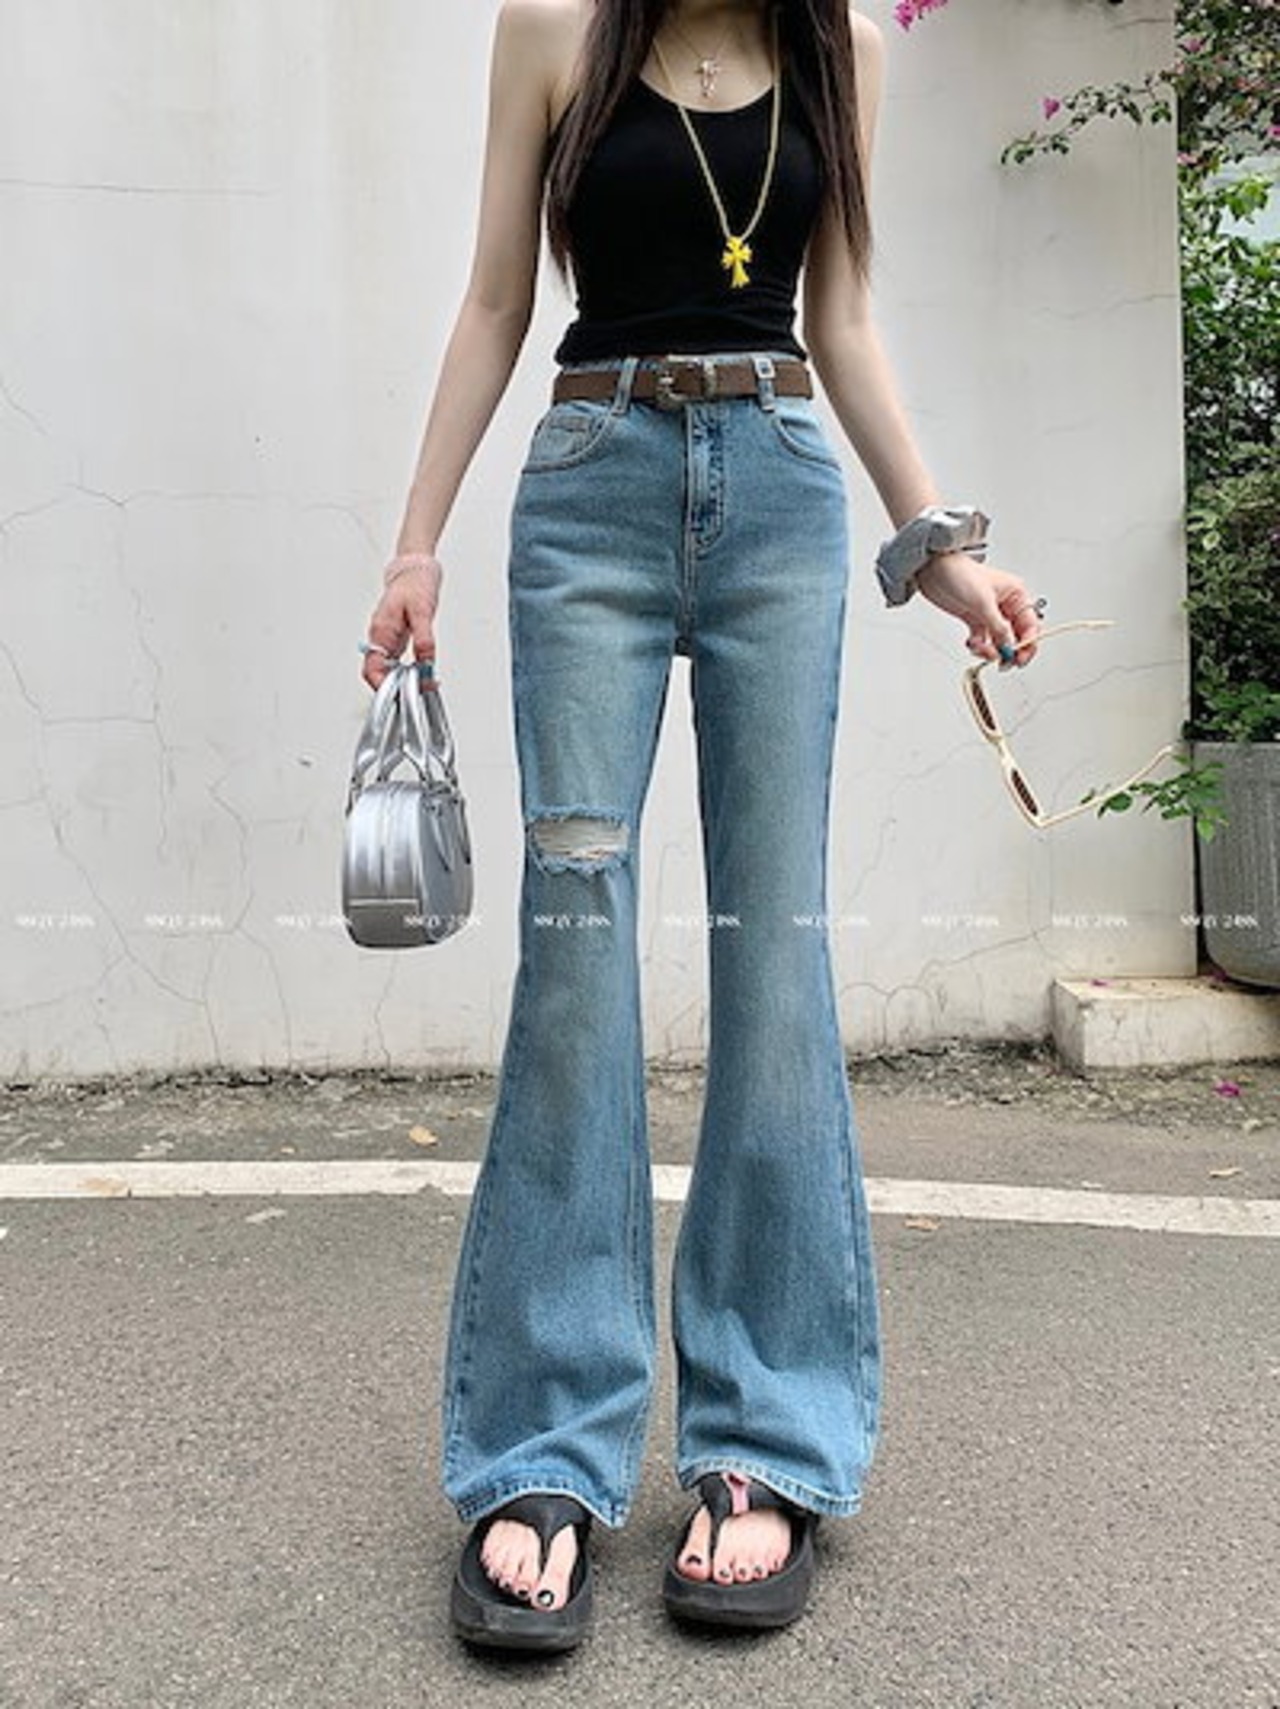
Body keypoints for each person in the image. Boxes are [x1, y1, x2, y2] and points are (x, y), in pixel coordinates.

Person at [361, 0, 1043, 1653]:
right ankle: (544, 1447)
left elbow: (846, 318)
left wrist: (938, 545)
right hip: (590, 478)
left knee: (776, 955)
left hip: (782, 492)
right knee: (576, 960)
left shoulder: (845, 50)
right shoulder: (553, 29)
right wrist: (416, 544)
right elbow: (497, 298)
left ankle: (765, 1436)